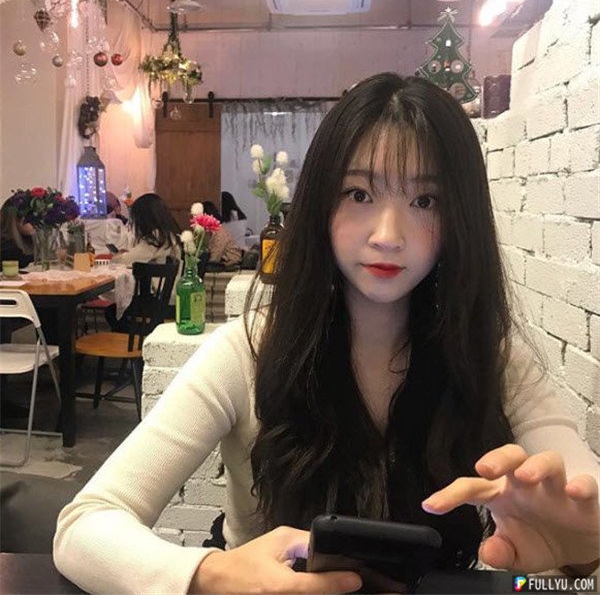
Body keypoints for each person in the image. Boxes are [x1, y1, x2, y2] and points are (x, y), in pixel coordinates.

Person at [54, 74, 599, 594]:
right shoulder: (248, 353)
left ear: (461, 217)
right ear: (320, 202)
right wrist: (209, 576)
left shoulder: (493, 360)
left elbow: (580, 493)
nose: (388, 236)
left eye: (424, 201)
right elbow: (84, 525)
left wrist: (584, 559)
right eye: (359, 194)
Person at [105, 193, 181, 330]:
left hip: (160, 302)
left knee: (112, 311)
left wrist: (117, 256)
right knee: (116, 311)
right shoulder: (169, 235)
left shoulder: (156, 238)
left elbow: (126, 261)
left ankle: (137, 338)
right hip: (171, 298)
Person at [202, 200, 243, 268]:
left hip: (231, 266)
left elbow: (214, 258)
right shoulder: (213, 231)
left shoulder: (220, 233)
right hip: (223, 264)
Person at [0, 195, 35, 269]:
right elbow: (21, 262)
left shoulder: (26, 238)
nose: (36, 224)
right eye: (33, 218)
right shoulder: (6, 245)